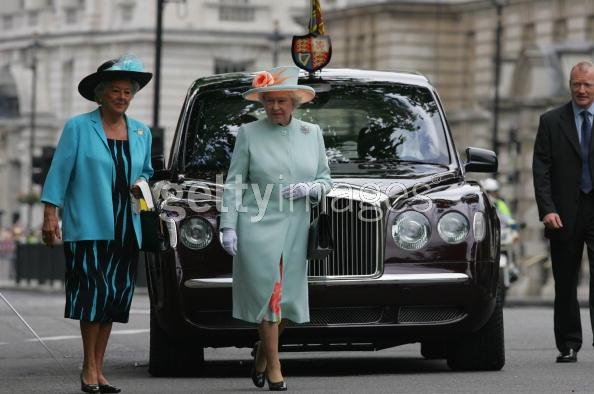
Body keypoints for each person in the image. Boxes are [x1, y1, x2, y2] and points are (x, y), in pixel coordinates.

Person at [40, 55, 153, 393]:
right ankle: (88, 368)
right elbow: (59, 172)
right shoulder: (78, 127)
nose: (122, 97)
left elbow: (146, 172)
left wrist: (141, 186)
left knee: (114, 298)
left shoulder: (141, 131)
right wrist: (50, 215)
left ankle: (98, 370)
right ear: (101, 94)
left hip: (126, 223)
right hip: (89, 223)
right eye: (116, 91)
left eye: (127, 92)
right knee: (92, 295)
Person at [220, 66, 332, 391]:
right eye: (269, 102)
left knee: (287, 303)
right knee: (270, 294)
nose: (275, 107)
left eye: (281, 101)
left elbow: (325, 180)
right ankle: (275, 369)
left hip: (296, 228)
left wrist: (309, 189)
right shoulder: (249, 134)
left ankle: (261, 357)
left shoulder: (312, 134)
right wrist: (228, 225)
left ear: (294, 102)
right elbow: (234, 183)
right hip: (256, 225)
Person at [533, 61, 594, 363]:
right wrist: (547, 209)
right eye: (576, 84)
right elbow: (541, 170)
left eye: (587, 84)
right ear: (570, 85)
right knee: (566, 281)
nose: (581, 90)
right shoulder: (551, 121)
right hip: (563, 214)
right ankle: (569, 344)